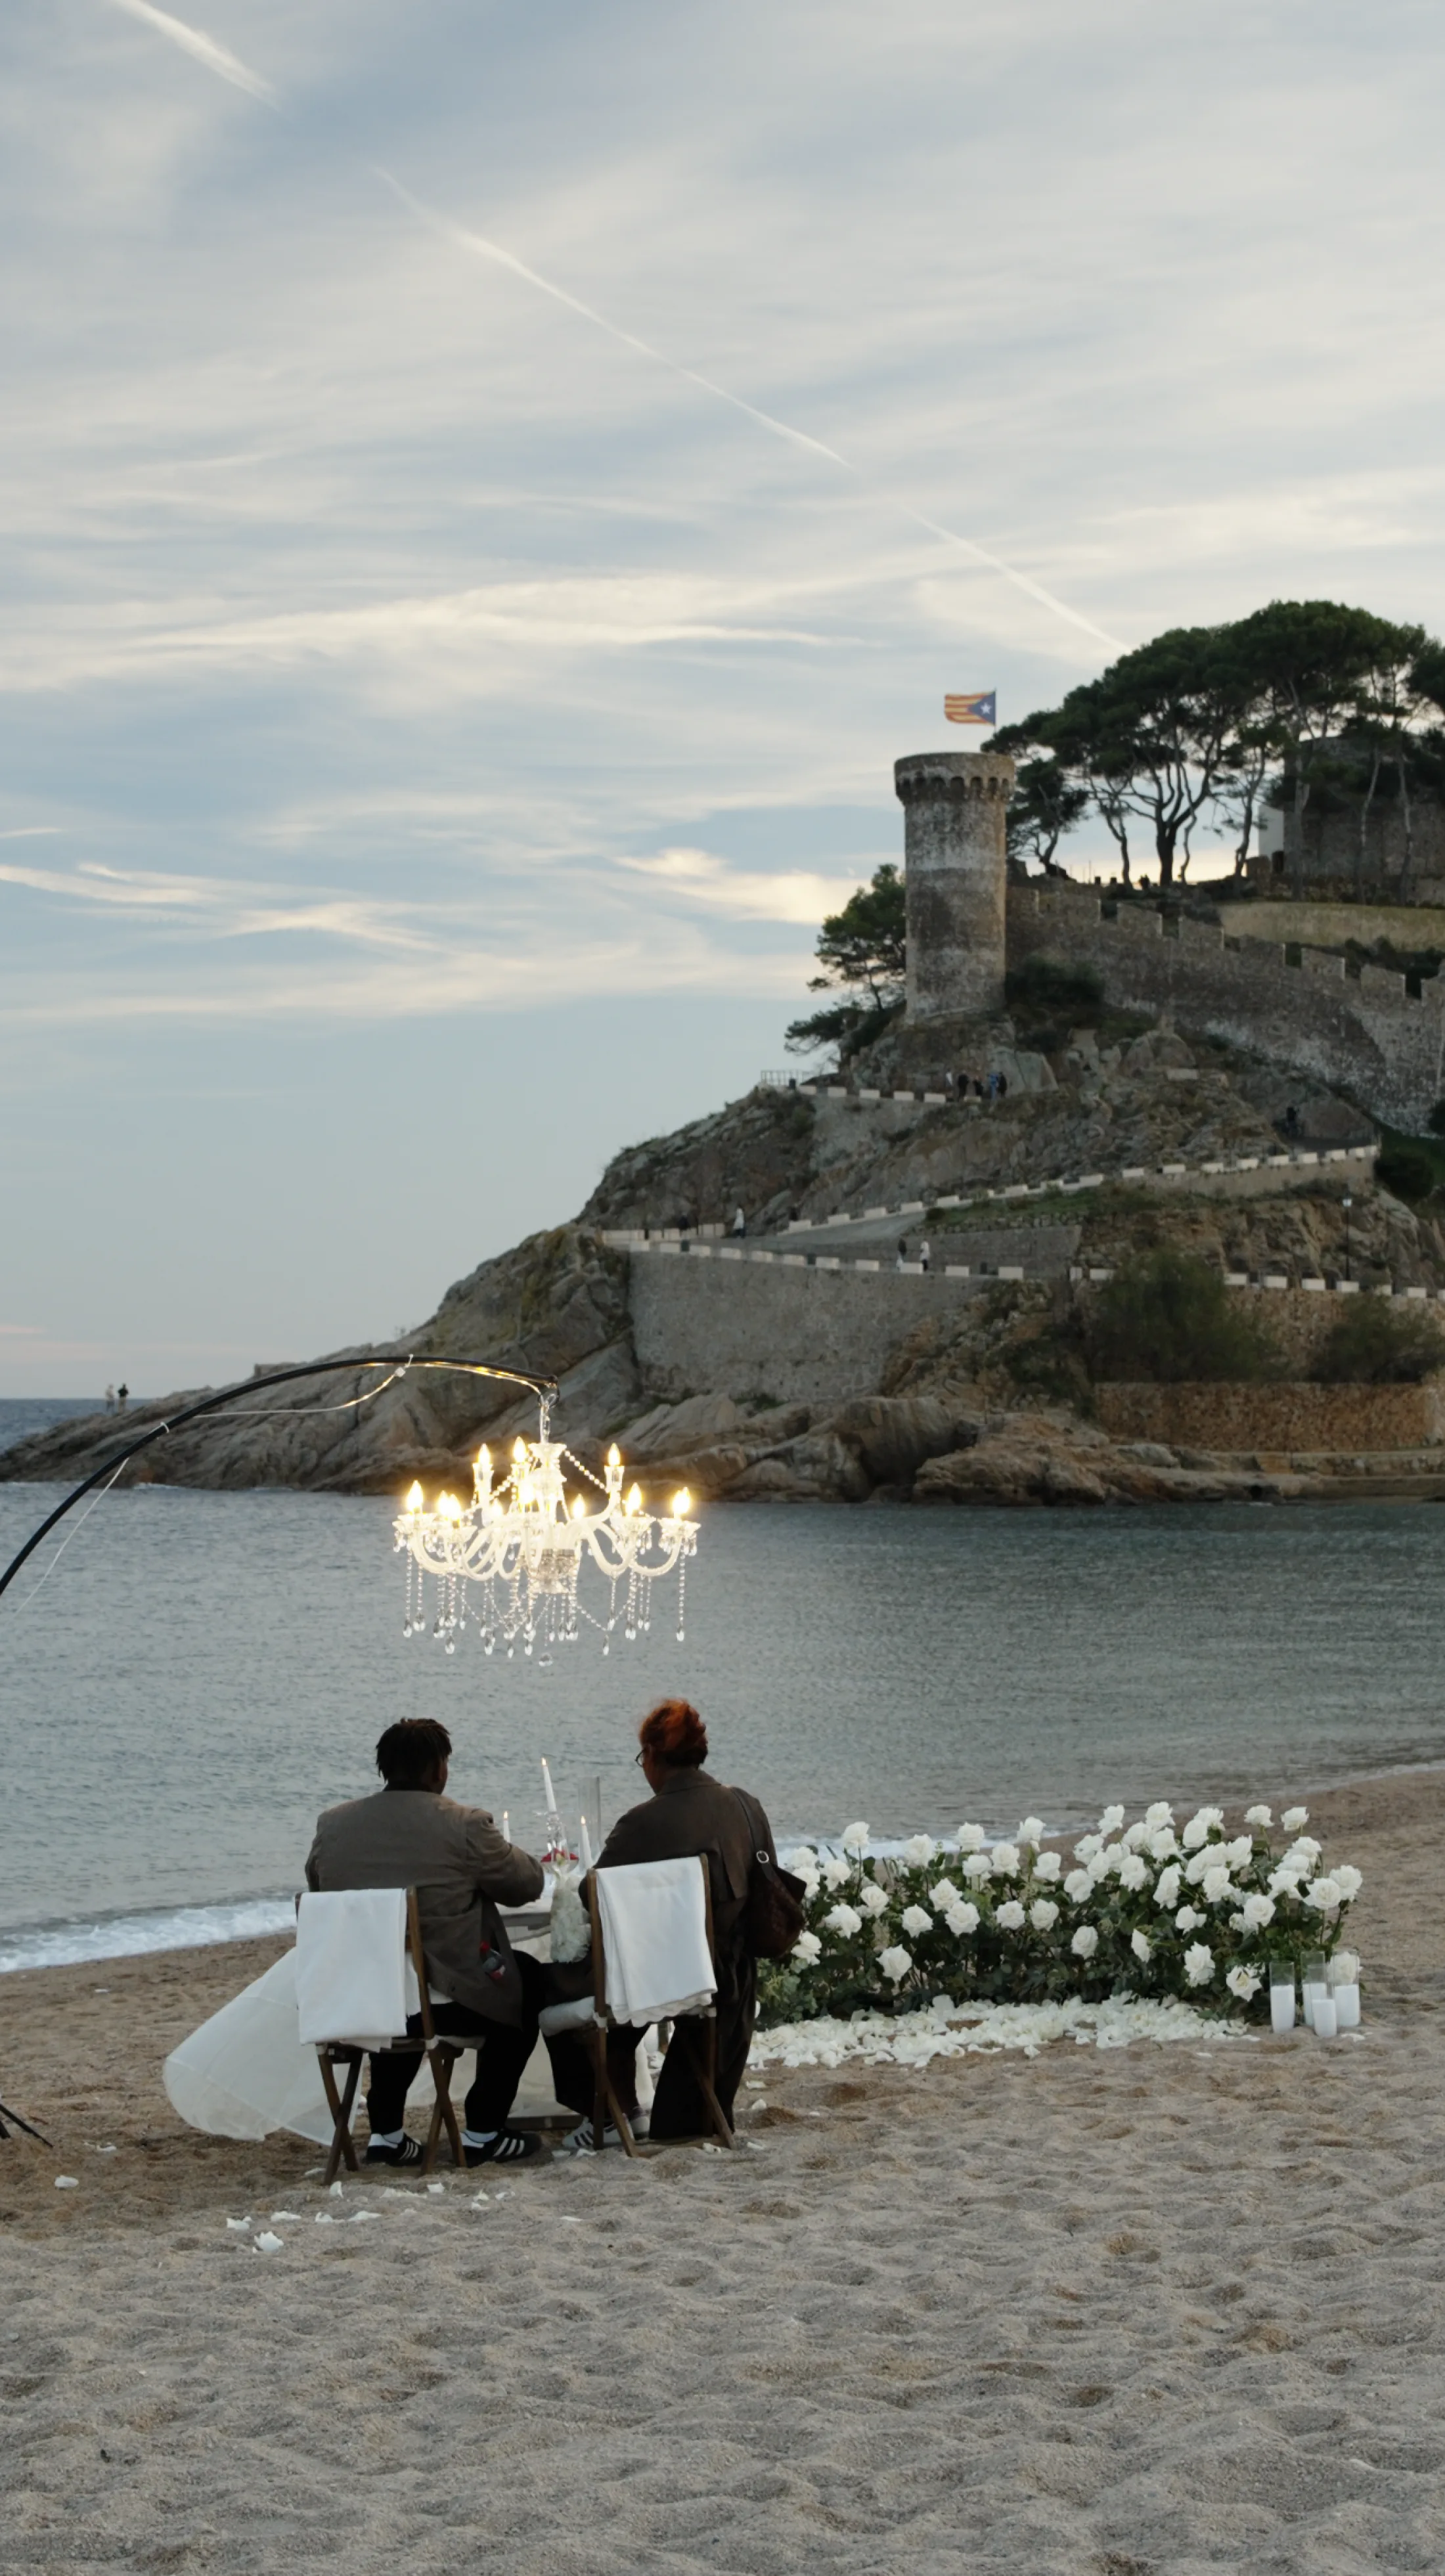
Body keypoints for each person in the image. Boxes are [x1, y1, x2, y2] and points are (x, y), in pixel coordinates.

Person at [305, 1717, 549, 2167]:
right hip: (437, 2004)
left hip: (358, 1999)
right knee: (525, 1980)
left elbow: (319, 1892)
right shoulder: (463, 1825)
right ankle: (484, 2131)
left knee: (399, 1979)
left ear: (383, 1768)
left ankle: (386, 2134)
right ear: (439, 1768)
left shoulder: (333, 1826)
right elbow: (527, 1884)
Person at [546, 1699, 774, 2148]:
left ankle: (610, 2111)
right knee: (629, 1982)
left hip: (659, 1979)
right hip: (728, 1982)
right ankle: (628, 2108)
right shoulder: (746, 1806)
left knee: (556, 1988)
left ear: (652, 1755)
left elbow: (593, 1898)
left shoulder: (642, 1823)